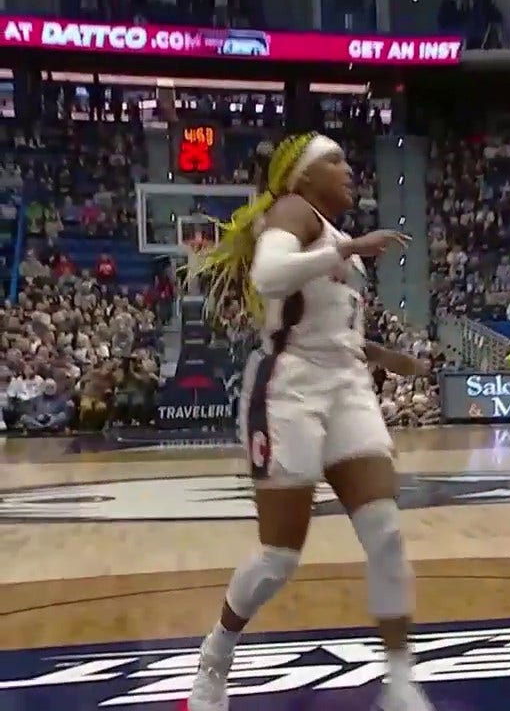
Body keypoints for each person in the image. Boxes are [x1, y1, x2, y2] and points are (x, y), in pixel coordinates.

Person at [185, 132, 437, 711]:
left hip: (347, 385)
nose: (349, 168)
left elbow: (327, 329)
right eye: (336, 159)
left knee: (387, 534)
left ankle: (400, 682)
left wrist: (382, 355)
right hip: (289, 389)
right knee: (278, 558)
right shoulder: (293, 211)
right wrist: (347, 252)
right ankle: (216, 655)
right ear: (301, 176)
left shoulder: (333, 235)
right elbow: (268, 279)